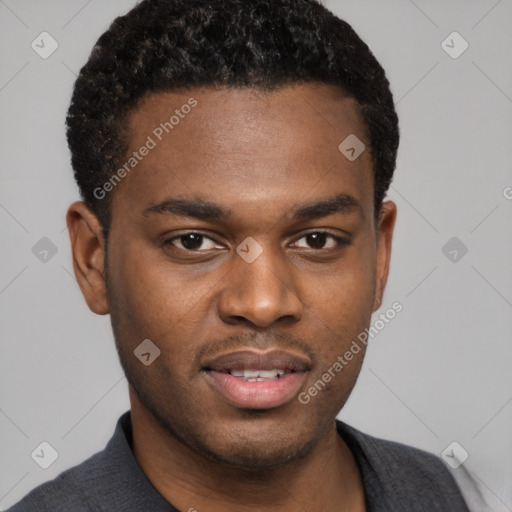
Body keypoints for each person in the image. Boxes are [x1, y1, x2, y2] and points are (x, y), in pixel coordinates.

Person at [8, 0, 473, 510]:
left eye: (317, 240)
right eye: (193, 241)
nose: (263, 303)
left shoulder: (441, 494)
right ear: (94, 259)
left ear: (379, 255)